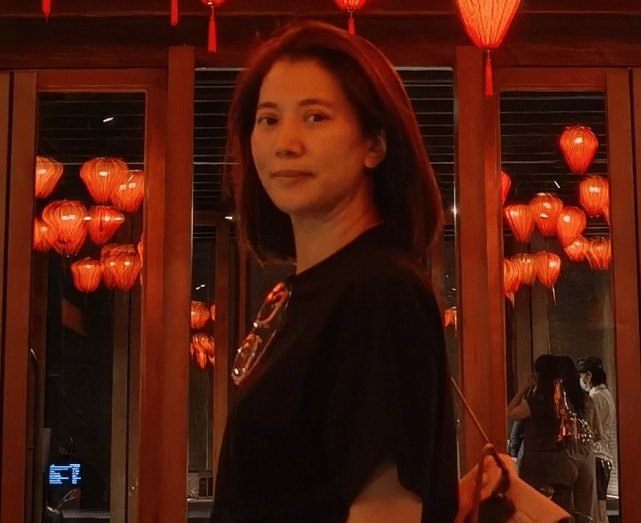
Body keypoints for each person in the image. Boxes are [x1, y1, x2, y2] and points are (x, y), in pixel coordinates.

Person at [209, 20, 460, 522]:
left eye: (315, 117)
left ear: (375, 144)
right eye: (268, 119)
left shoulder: (379, 291)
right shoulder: (306, 292)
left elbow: (385, 511)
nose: (285, 143)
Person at [577, 356, 617, 523]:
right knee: (601, 506)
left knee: (598, 508)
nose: (580, 380)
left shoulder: (594, 398)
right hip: (606, 457)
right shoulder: (607, 395)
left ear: (589, 376)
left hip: (597, 455)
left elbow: (593, 429)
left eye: (581, 376)